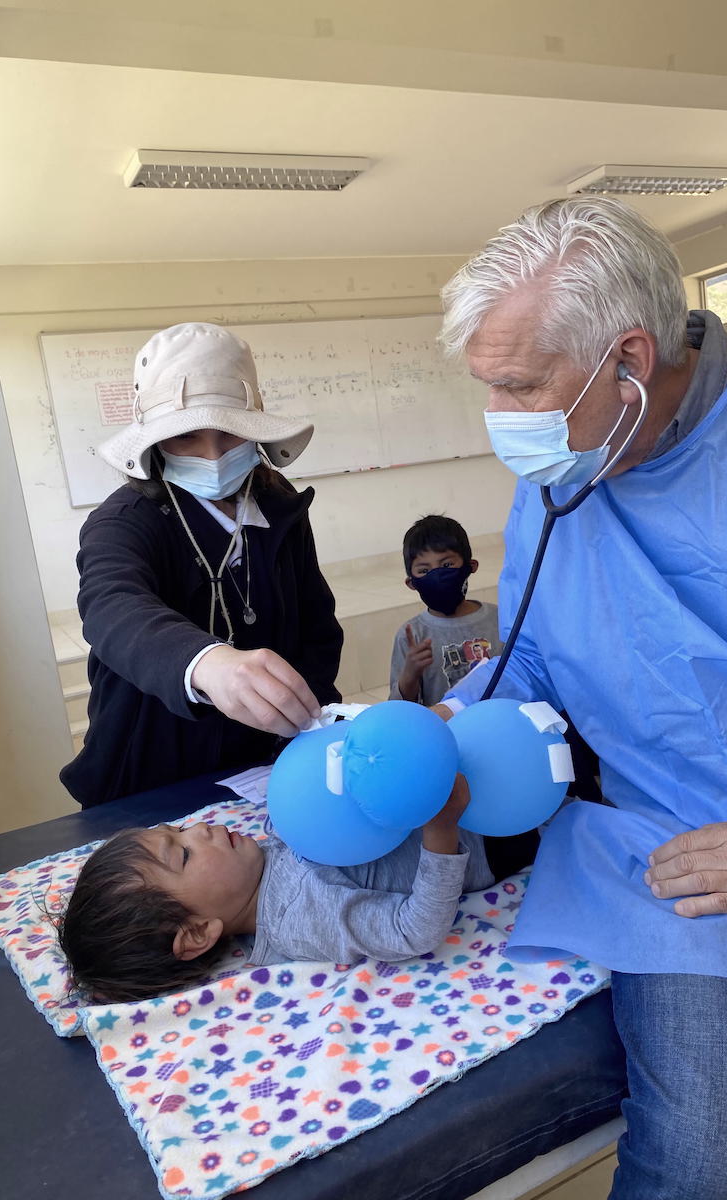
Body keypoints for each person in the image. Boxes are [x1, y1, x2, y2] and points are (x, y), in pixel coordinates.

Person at [435, 196, 727, 1200]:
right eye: (488, 389)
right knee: (711, 1169)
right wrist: (445, 731)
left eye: (518, 386)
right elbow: (537, 659)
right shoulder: (563, 473)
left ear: (629, 359)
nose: (501, 420)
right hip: (685, 852)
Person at [60, 323, 343, 808]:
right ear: (154, 442)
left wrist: (312, 716)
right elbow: (111, 607)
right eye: (186, 437)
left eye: (229, 433)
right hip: (149, 777)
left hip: (264, 765)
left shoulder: (280, 507)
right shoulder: (124, 521)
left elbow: (317, 626)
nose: (212, 456)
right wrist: (205, 664)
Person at [58, 781, 492, 1002]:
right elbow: (412, 931)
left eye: (180, 829)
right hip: (486, 835)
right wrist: (442, 827)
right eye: (184, 854)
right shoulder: (297, 918)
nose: (200, 830)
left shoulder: (259, 864)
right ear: (195, 933)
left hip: (438, 794)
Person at [389, 514, 501, 706]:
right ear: (411, 583)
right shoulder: (412, 635)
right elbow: (401, 711)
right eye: (424, 571)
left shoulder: (500, 619)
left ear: (470, 566)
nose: (437, 575)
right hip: (445, 732)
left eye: (447, 565)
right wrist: (409, 675)